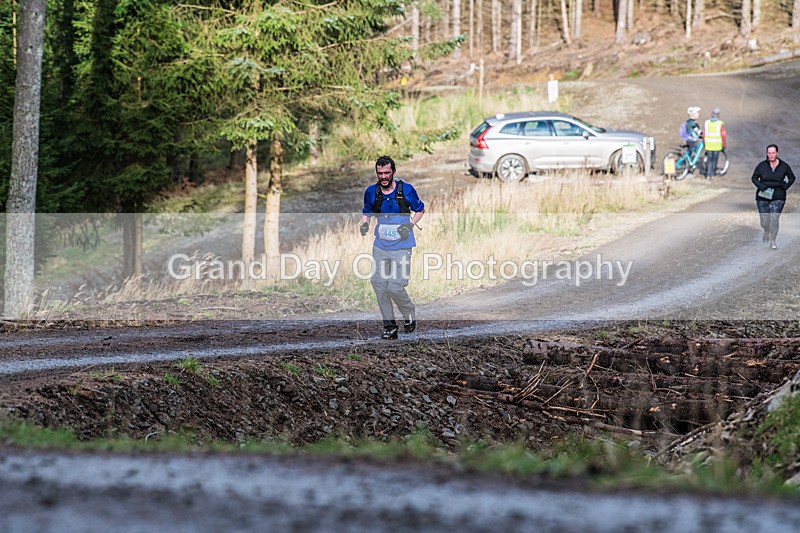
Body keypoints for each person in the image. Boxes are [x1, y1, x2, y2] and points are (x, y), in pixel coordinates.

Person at [360, 155, 425, 339]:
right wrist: (364, 224)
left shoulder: (406, 190)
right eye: (380, 173)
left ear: (393, 172)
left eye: (387, 172)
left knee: (395, 287)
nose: (383, 176)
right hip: (380, 246)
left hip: (402, 247)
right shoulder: (371, 192)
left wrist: (410, 225)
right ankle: (390, 327)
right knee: (379, 284)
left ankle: (409, 311)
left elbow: (420, 209)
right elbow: (367, 211)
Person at [751, 144, 795, 250]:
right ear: (767, 154)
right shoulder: (761, 166)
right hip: (763, 196)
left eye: (773, 153)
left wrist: (785, 186)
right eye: (769, 153)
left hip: (778, 195)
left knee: (774, 218)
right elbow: (754, 178)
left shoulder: (784, 166)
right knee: (764, 221)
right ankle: (766, 230)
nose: (771, 155)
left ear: (777, 153)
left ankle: (773, 241)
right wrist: (761, 187)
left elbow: (792, 177)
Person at [703, 108, 727, 178]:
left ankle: (708, 174)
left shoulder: (707, 122)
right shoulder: (720, 123)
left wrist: (704, 142)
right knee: (714, 160)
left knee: (709, 160)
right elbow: (723, 135)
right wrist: (724, 144)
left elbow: (704, 133)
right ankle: (713, 174)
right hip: (717, 145)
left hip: (708, 145)